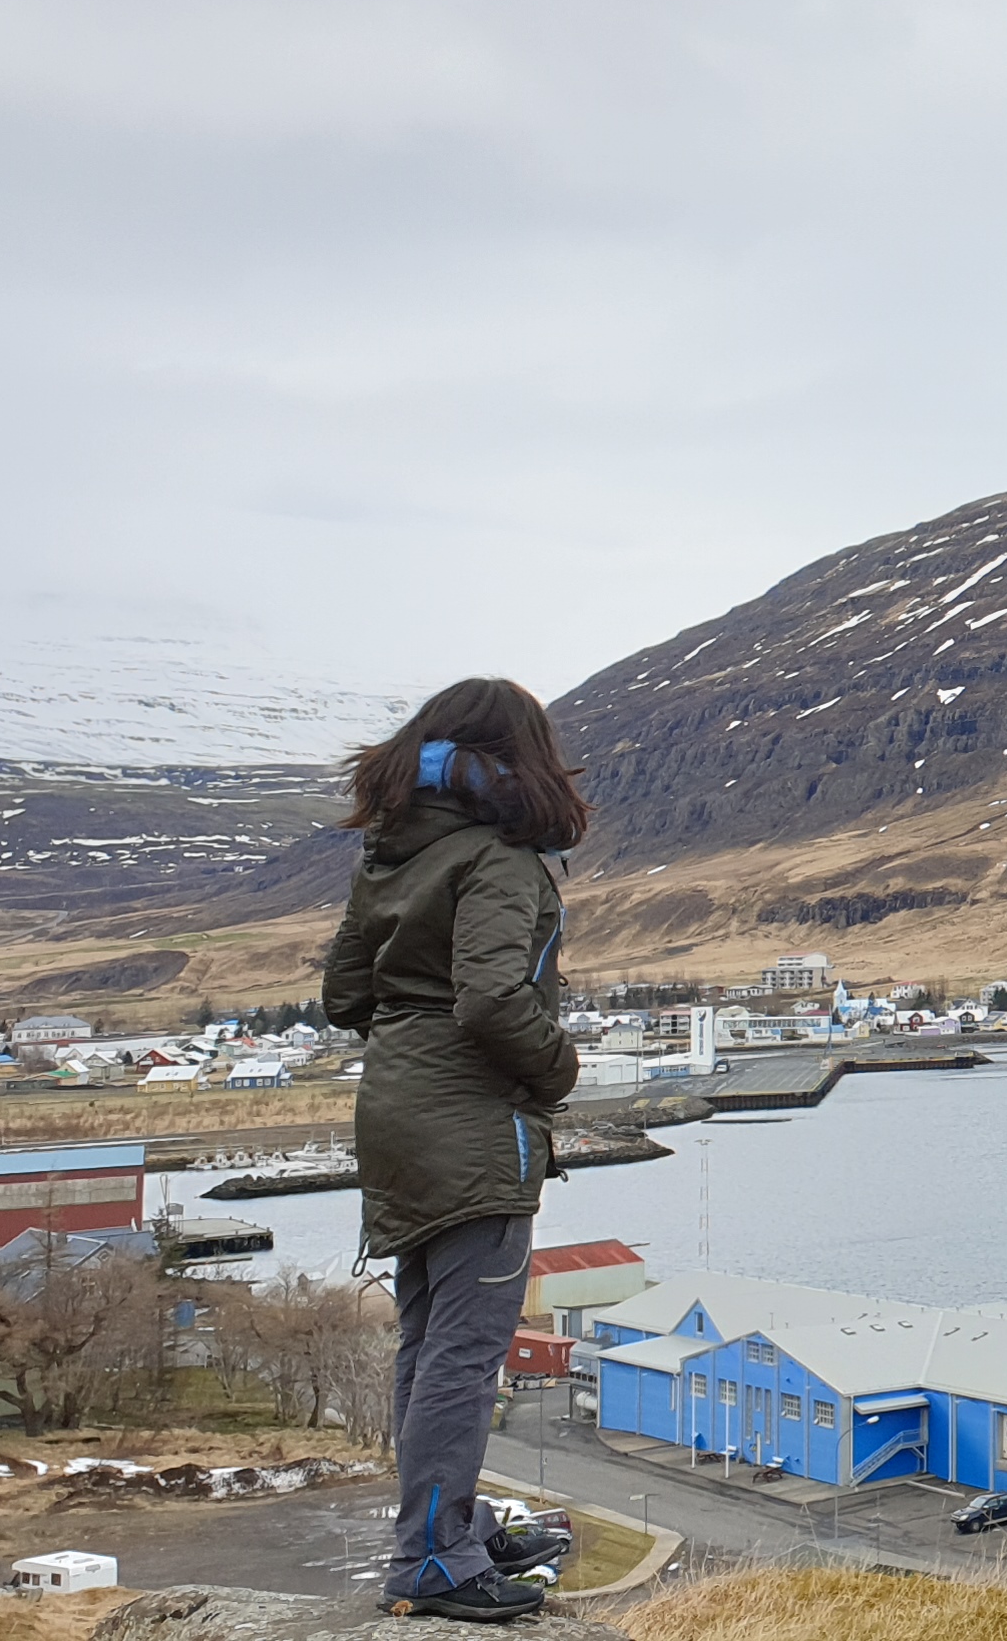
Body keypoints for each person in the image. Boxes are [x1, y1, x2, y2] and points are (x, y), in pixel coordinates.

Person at [322, 679, 590, 1622]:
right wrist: (557, 1069)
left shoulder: (392, 851)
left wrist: (414, 1027)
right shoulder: (500, 858)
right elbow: (489, 999)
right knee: (465, 1356)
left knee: (428, 1341)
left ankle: (448, 1531)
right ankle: (432, 1558)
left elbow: (346, 998)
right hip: (476, 1124)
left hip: (394, 1110)